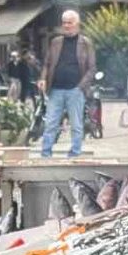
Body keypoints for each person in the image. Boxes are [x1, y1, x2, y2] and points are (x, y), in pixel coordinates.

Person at [39, 10, 95, 158]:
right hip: (55, 89)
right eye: (64, 22)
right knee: (50, 123)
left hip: (75, 90)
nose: (67, 25)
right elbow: (47, 63)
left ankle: (75, 153)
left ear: (77, 24)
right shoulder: (56, 42)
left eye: (70, 22)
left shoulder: (85, 43)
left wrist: (81, 87)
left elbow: (92, 68)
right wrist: (43, 78)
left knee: (76, 125)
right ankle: (46, 153)